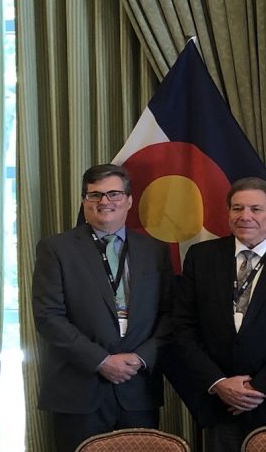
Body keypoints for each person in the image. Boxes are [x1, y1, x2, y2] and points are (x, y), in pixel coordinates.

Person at [166, 177, 266, 452]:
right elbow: (183, 326)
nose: (245, 217)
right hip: (220, 403)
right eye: (237, 208)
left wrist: (258, 387)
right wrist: (218, 383)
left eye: (256, 209)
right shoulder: (201, 256)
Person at [31, 164, 172, 451]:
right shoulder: (55, 249)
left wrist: (141, 357)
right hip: (78, 391)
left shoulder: (155, 251)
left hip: (138, 389)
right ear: (84, 202)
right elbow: (49, 317)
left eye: (114, 194)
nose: (104, 202)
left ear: (130, 200)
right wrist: (102, 361)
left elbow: (170, 314)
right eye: (94, 195)